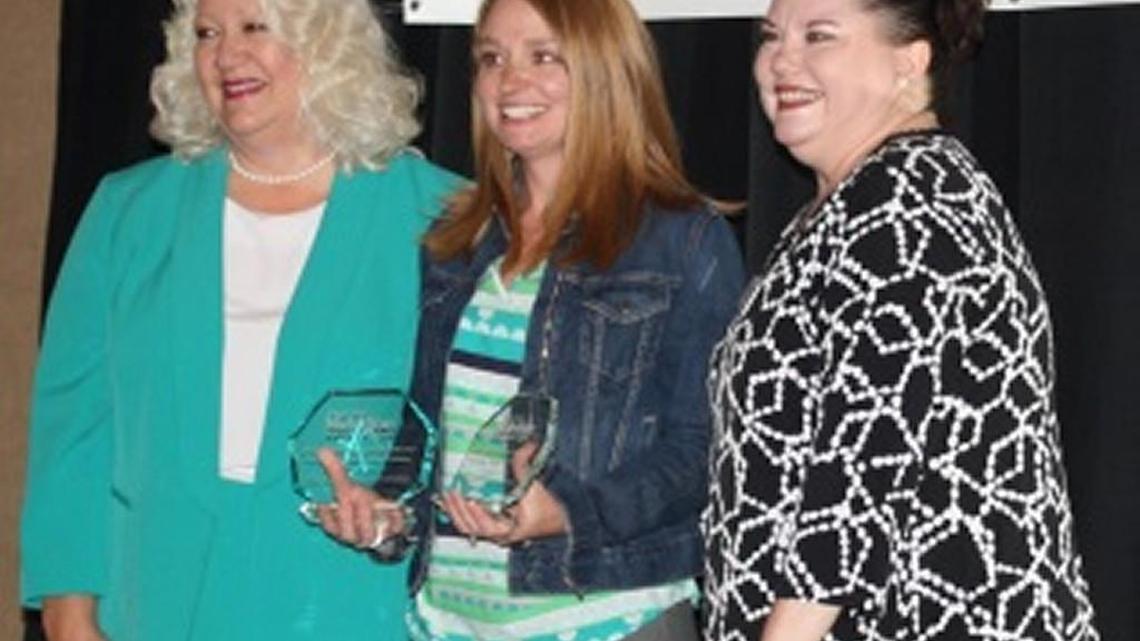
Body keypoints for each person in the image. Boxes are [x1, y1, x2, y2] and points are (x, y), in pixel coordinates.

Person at [19, 0, 457, 638]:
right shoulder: (128, 212)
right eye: (206, 33)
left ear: (326, 41)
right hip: (159, 602)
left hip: (355, 604)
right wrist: (67, 607)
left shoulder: (441, 217)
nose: (226, 56)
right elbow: (74, 430)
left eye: (255, 27)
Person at [314, 0, 746, 639]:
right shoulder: (455, 240)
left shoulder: (683, 241)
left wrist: (567, 510)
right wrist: (385, 511)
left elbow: (703, 451)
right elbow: (429, 426)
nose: (510, 82)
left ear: (605, 70)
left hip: (607, 620)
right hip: (449, 621)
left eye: (544, 56)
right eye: (492, 58)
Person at [702, 0, 1100, 640]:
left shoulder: (910, 201)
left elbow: (855, 485)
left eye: (819, 36)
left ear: (908, 64)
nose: (782, 59)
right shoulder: (850, 207)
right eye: (772, 36)